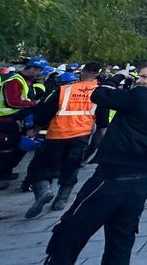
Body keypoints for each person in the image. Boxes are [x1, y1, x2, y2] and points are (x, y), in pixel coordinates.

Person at [45, 58, 147, 265]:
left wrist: (118, 77)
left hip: (111, 178)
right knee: (120, 239)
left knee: (70, 230)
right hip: (140, 180)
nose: (139, 81)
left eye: (145, 77)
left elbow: (99, 94)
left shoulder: (141, 97)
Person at [24, 64, 106, 218]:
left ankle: (44, 190)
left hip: (56, 134)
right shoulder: (99, 92)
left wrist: (36, 127)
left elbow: (45, 110)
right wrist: (103, 131)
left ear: (82, 72)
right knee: (71, 166)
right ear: (97, 74)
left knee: (40, 166)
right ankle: (61, 199)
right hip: (81, 135)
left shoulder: (64, 90)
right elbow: (102, 116)